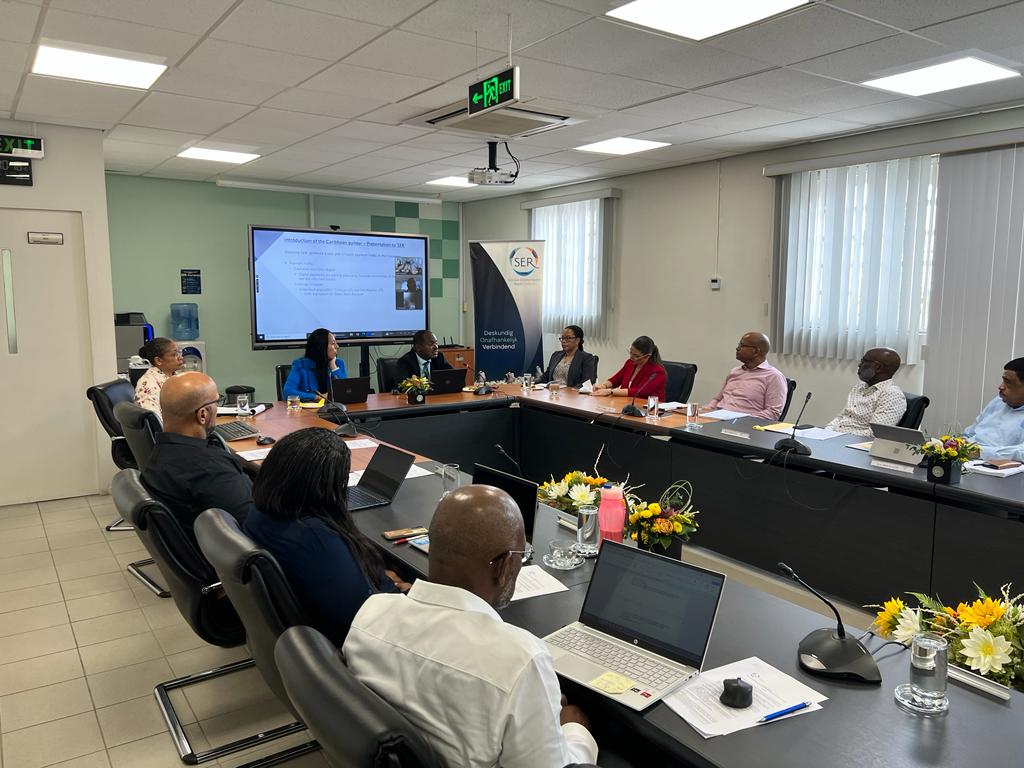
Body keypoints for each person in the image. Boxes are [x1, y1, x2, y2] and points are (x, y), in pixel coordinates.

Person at [344, 486, 599, 768]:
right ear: (504, 566)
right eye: (521, 554)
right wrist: (576, 732)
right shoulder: (520, 660)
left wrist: (538, 703)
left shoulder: (370, 615)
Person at [243, 428, 408, 646]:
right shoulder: (317, 540)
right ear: (330, 486)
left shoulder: (259, 513)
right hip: (360, 641)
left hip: (306, 630)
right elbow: (367, 617)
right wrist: (399, 590)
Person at [141, 372, 256, 538]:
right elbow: (254, 524)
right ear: (203, 414)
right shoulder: (209, 468)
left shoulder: (159, 454)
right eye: (217, 402)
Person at [703, 331, 787, 419]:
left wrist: (742, 420)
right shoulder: (735, 371)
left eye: (741, 345)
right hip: (716, 418)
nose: (737, 348)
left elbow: (773, 412)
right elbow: (717, 399)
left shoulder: (774, 377)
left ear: (756, 351)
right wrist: (704, 411)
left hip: (744, 424)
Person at [826, 348, 907, 436]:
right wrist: (827, 431)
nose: (859, 365)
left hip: (854, 441)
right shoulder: (859, 387)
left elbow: (875, 433)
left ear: (878, 367)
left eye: (863, 361)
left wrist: (841, 436)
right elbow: (842, 417)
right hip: (836, 436)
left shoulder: (891, 395)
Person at [964, 357, 1024, 462]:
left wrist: (978, 452)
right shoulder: (999, 401)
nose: (1000, 386)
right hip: (967, 458)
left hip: (995, 467)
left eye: (1008, 382)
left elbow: (1021, 453)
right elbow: (970, 433)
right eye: (1003, 380)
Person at [592, 335, 666, 400]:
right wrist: (603, 386)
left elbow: (639, 392)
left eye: (636, 356)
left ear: (647, 356)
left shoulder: (657, 372)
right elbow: (615, 380)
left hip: (647, 407)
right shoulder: (630, 363)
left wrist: (610, 391)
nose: (631, 357)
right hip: (625, 403)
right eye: (631, 353)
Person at [281, 328, 347, 402]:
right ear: (321, 346)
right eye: (333, 343)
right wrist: (316, 397)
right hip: (308, 408)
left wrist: (333, 367)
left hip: (334, 408)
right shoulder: (300, 365)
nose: (337, 346)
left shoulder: (338, 364)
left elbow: (345, 391)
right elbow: (288, 392)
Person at [134, 337, 183, 418]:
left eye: (179, 352)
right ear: (158, 361)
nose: (180, 357)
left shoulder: (175, 376)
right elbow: (155, 420)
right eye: (174, 354)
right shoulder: (148, 384)